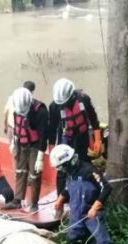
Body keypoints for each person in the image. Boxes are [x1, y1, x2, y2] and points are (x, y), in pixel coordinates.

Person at [49, 144, 116, 244]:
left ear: (69, 162)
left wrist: (95, 208)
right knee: (72, 240)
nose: (62, 171)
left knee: (102, 240)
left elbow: (106, 188)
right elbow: (68, 188)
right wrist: (60, 200)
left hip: (91, 213)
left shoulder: (89, 171)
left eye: (62, 168)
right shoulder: (70, 173)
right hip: (76, 214)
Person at [48, 78, 102, 217]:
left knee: (82, 166)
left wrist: (97, 139)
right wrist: (51, 148)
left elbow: (93, 119)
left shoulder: (83, 99)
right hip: (65, 139)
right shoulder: (54, 107)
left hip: (82, 138)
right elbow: (52, 128)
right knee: (61, 171)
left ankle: (87, 199)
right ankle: (60, 204)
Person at [3, 86, 49, 212]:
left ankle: (34, 203)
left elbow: (43, 136)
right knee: (20, 171)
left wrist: (40, 158)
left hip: (35, 145)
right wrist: (14, 142)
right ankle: (17, 200)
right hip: (22, 143)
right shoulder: (17, 105)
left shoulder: (41, 111)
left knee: (34, 175)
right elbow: (18, 127)